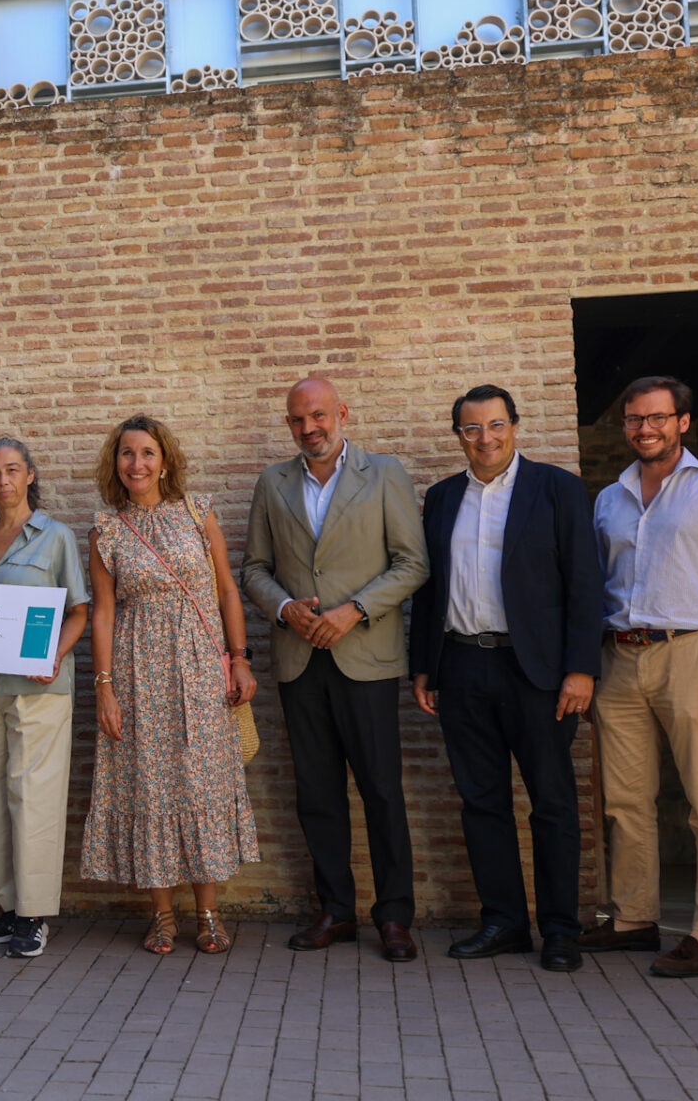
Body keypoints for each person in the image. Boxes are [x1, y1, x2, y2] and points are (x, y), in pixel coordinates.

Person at [582, 376, 698, 978]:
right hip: (621, 656)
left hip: (696, 651)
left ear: (683, 422)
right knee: (626, 800)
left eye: (658, 418)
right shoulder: (609, 498)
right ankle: (634, 917)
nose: (646, 429)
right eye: (636, 419)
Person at [409, 385, 603, 974]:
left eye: (496, 425)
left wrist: (580, 668)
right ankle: (504, 923)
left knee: (551, 802)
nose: (485, 439)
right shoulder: (442, 498)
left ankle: (561, 930)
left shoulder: (557, 488)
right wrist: (425, 664)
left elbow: (585, 584)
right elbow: (428, 587)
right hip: (463, 664)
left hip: (538, 671)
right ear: (459, 436)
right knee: (481, 800)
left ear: (514, 426)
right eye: (472, 429)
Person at [241, 376, 429, 962]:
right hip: (301, 661)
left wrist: (356, 610)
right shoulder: (272, 483)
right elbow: (254, 568)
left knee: (381, 791)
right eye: (298, 420)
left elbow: (412, 562)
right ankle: (336, 911)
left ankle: (395, 917)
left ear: (342, 413)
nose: (310, 429)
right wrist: (284, 607)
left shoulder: (385, 474)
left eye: (319, 416)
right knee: (317, 794)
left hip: (365, 657)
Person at [81, 415, 258, 955]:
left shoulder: (198, 514)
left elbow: (228, 591)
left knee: (201, 785)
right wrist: (104, 687)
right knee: (149, 788)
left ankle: (207, 913)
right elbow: (104, 613)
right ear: (116, 463)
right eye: (127, 453)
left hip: (202, 670)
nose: (137, 463)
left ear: (165, 460)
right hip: (138, 674)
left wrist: (240, 659)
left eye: (148, 453)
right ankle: (161, 916)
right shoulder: (106, 530)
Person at [0, 438, 90, 959]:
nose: (3, 480)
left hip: (37, 684)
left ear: (30, 475)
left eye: (12, 470)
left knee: (32, 795)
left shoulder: (55, 537)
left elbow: (79, 610)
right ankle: (9, 906)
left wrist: (54, 655)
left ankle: (34, 915)